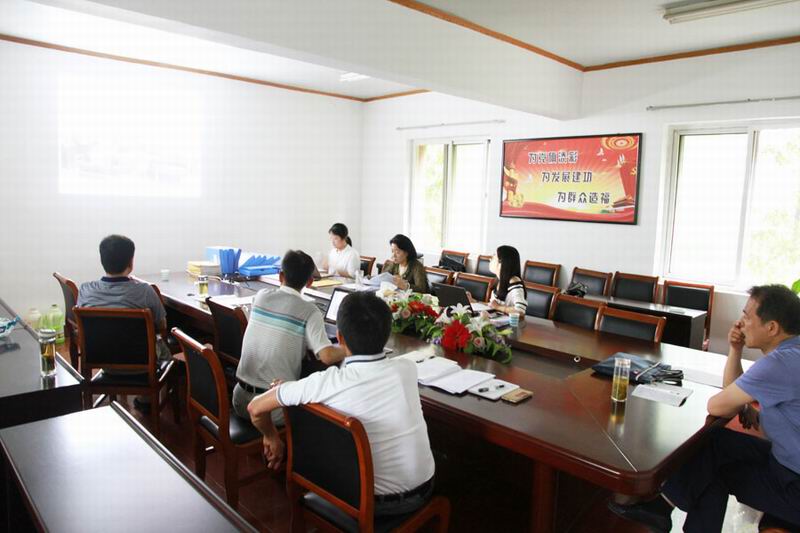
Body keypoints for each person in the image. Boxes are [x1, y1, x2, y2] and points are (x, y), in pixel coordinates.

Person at [609, 284, 800, 533]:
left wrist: (738, 403)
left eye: (747, 316)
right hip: (785, 461)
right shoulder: (793, 353)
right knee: (714, 441)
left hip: (792, 482)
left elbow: (718, 406)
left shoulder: (780, 363)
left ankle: (661, 507)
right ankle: (661, 507)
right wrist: (735, 349)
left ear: (772, 327)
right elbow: (740, 399)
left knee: (710, 472)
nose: (740, 322)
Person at [247, 292, 436, 516]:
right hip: (425, 488)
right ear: (387, 335)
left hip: (369, 504)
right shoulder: (407, 369)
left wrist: (271, 436)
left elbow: (255, 408)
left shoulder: (327, 383)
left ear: (340, 337)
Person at [232, 250, 345, 425]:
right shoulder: (310, 311)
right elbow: (327, 356)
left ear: (280, 276)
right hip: (273, 410)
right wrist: (349, 348)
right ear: (310, 282)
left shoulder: (260, 297)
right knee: (325, 412)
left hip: (239, 400)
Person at [77, 234, 171, 364]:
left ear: (102, 260)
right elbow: (162, 325)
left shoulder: (85, 290)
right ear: (131, 262)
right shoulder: (145, 291)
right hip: (142, 363)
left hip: (101, 359)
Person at [488, 245, 527, 317]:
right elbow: (493, 305)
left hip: (512, 323)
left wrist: (498, 307)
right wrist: (474, 301)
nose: (490, 259)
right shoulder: (498, 280)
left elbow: (520, 310)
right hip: (499, 320)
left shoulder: (514, 281)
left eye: (493, 257)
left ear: (502, 263)